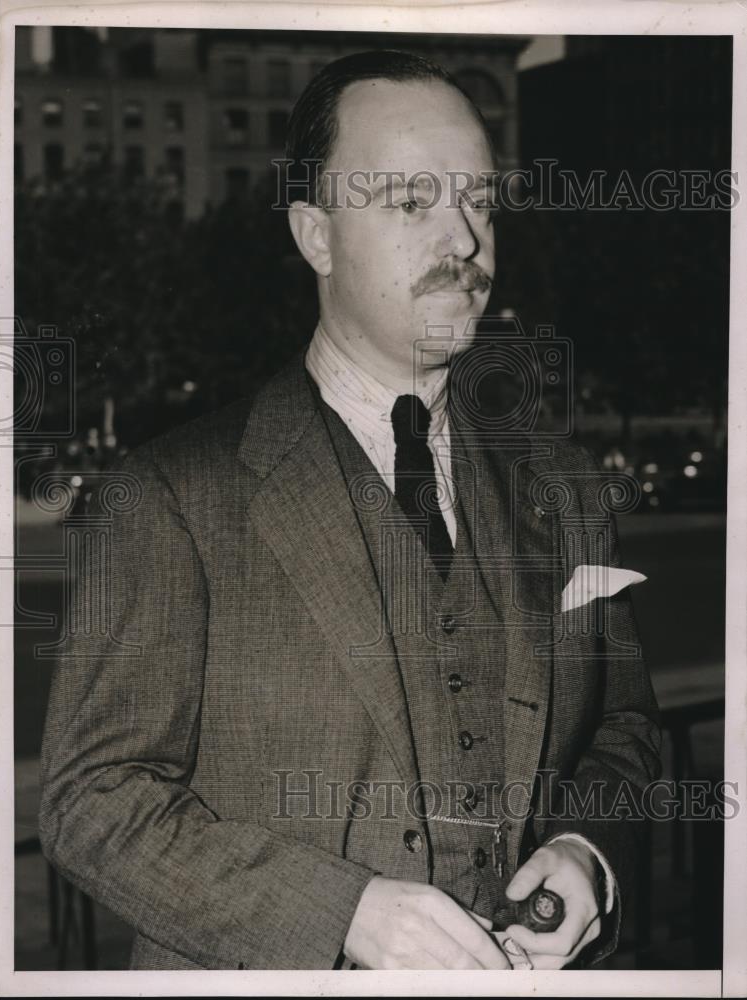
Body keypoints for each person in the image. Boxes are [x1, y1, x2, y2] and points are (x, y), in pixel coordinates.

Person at [39, 50, 661, 971]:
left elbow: (625, 730)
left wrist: (585, 854)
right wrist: (345, 916)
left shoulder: (563, 487)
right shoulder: (169, 494)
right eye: (412, 202)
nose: (464, 240)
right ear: (316, 236)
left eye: (479, 201)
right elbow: (92, 799)